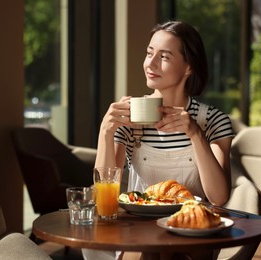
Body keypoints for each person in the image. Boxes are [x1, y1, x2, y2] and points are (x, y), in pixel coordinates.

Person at [83, 20, 234, 260]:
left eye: (163, 56)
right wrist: (106, 132)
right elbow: (104, 200)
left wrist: (195, 133)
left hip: (190, 234)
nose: (150, 64)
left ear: (188, 67)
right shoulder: (130, 117)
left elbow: (218, 196)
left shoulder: (213, 120)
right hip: (138, 233)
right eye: (149, 53)